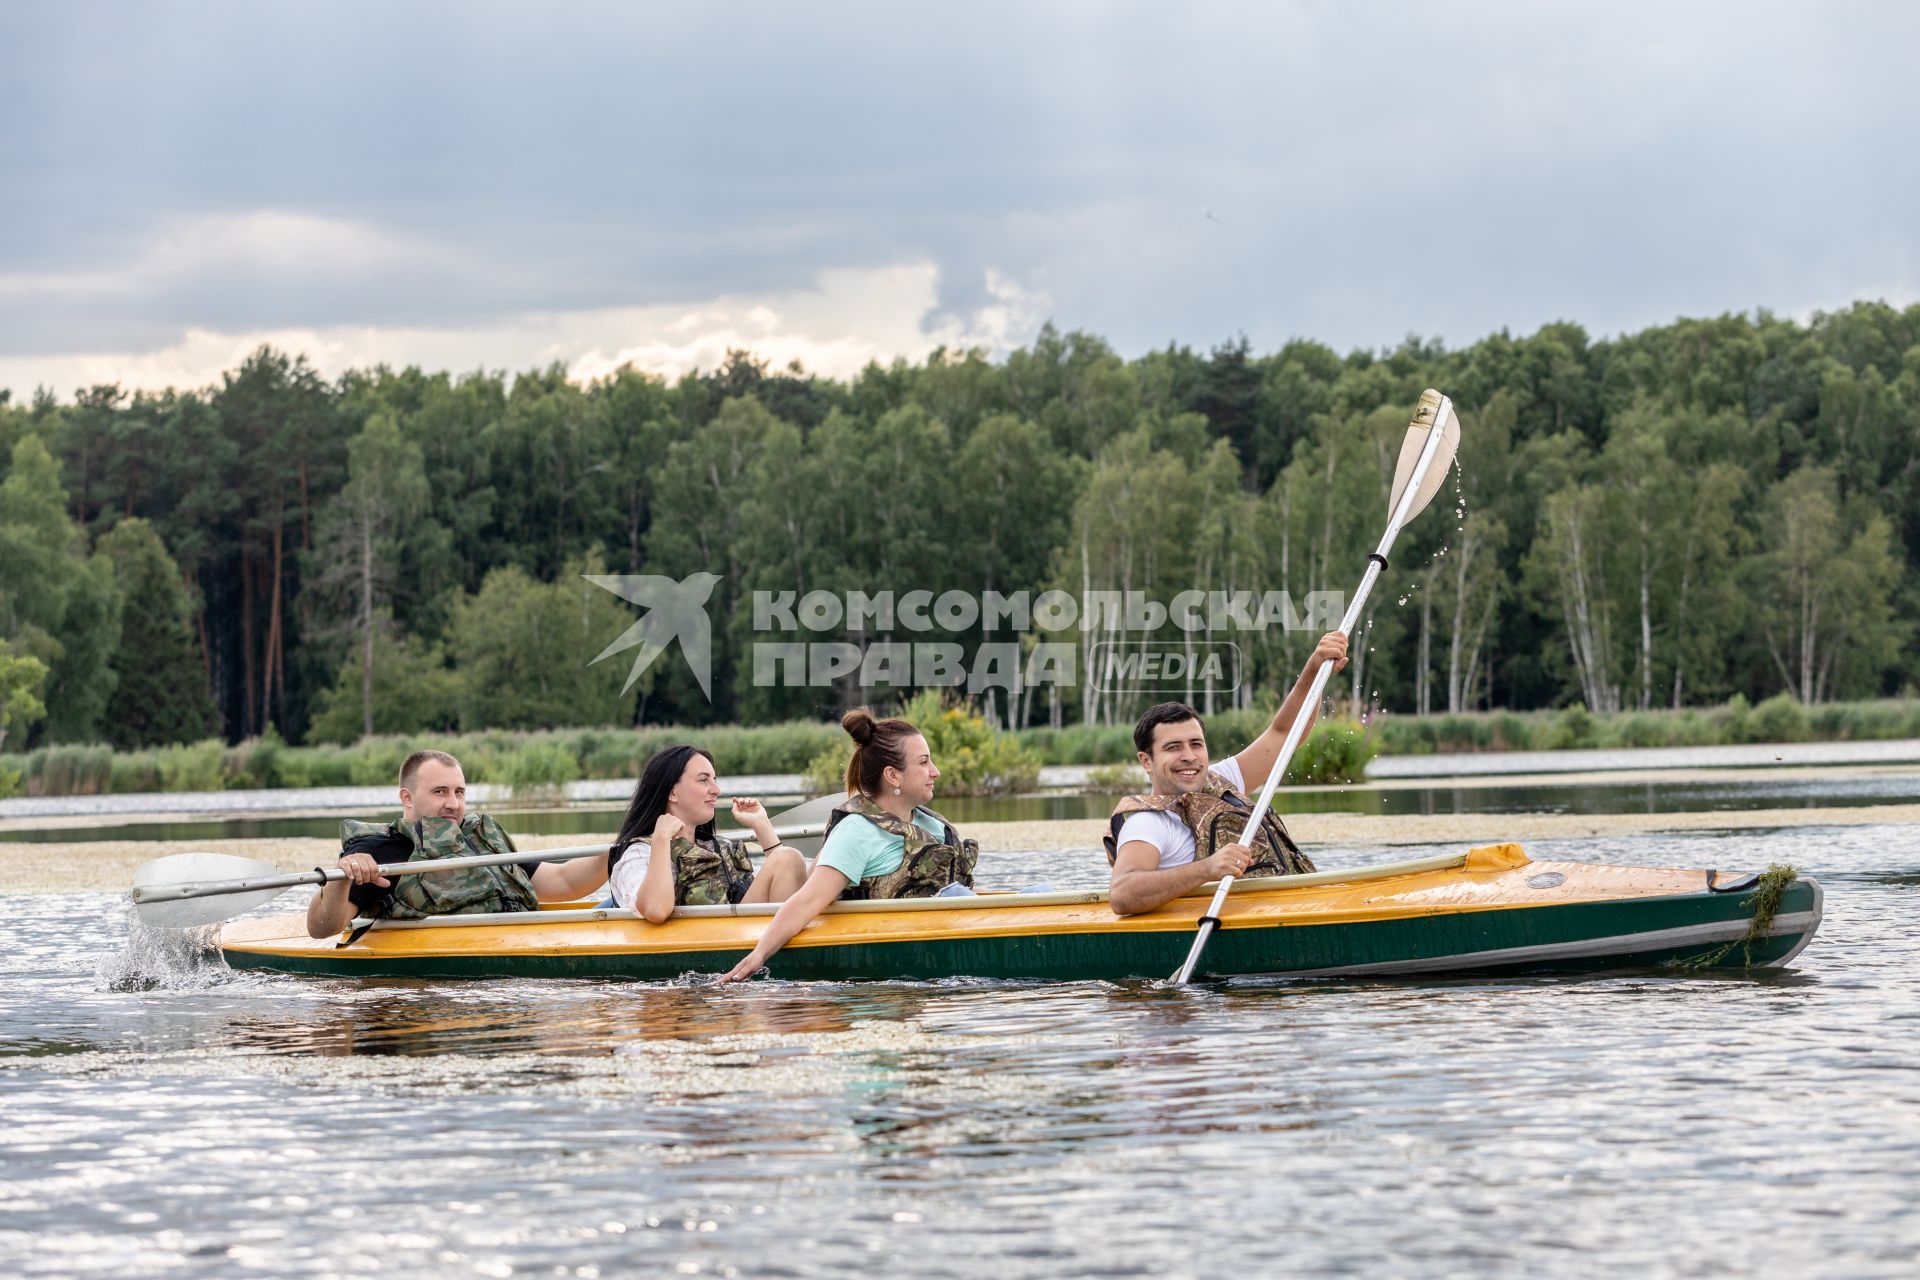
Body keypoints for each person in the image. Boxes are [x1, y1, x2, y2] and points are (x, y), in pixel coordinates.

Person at [721, 708, 977, 981]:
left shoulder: (935, 826)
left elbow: (956, 889)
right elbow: (808, 900)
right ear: (893, 775)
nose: (935, 772)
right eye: (924, 762)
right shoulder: (856, 831)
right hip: (881, 967)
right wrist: (757, 955)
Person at [1105, 630, 1349, 917]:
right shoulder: (1149, 823)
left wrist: (1314, 670)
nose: (1189, 756)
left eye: (1196, 744)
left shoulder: (1221, 782)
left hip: (1281, 910)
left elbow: (1284, 733)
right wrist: (1208, 869)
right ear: (1147, 761)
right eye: (1173, 747)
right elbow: (1122, 894)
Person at [305, 749, 611, 939]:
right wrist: (343, 878)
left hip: (515, 946)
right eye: (440, 791)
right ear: (406, 797)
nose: (453, 803)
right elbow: (321, 929)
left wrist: (617, 851)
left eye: (459, 792)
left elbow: (563, 882)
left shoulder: (481, 839)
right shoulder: (382, 850)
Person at [607, 743, 809, 922]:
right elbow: (655, 910)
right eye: (703, 780)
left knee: (790, 859)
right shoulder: (639, 854)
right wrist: (661, 839)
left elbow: (784, 880)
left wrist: (762, 825)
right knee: (787, 858)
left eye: (714, 780)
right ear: (672, 793)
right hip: (706, 946)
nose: (716, 790)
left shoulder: (717, 847)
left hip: (743, 937)